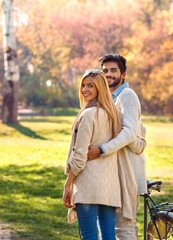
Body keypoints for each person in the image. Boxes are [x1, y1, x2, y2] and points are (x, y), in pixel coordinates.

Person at [63, 69, 142, 240]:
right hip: (108, 187)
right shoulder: (115, 116)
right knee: (108, 237)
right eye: (83, 85)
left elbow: (79, 156)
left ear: (100, 87)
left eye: (90, 86)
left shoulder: (88, 114)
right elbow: (135, 134)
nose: (85, 90)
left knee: (89, 236)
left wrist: (68, 184)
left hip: (87, 186)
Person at [87, 54, 147, 240]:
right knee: (110, 227)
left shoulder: (126, 95)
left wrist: (102, 150)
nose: (108, 74)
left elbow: (129, 134)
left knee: (123, 226)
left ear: (123, 74)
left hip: (127, 172)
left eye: (113, 70)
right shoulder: (111, 98)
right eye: (105, 71)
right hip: (113, 173)